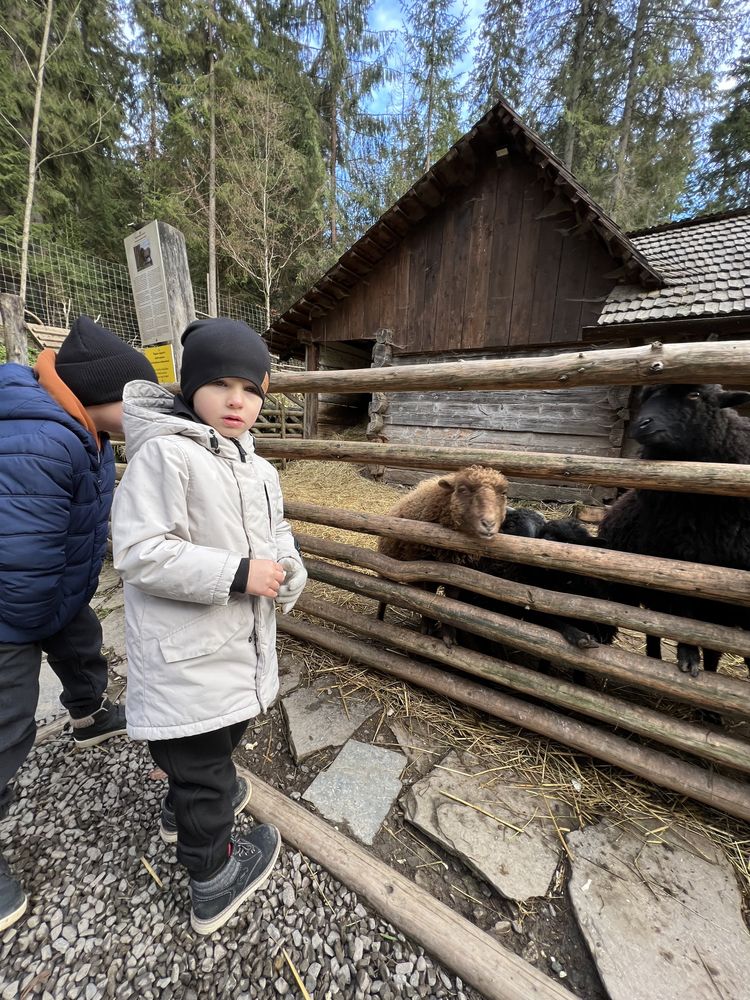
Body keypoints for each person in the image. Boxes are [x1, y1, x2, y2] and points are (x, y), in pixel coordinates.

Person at [110, 318, 307, 935]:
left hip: (236, 647)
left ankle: (185, 811)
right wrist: (238, 573)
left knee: (211, 746)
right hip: (188, 653)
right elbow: (140, 552)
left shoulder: (259, 469)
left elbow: (278, 539)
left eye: (250, 389)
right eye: (220, 384)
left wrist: (290, 573)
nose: (236, 400)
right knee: (204, 766)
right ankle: (212, 878)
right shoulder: (168, 455)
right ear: (191, 386)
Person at [0, 316, 159, 932]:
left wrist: (64, 600)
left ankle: (88, 713)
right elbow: (18, 550)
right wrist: (31, 621)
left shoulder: (83, 430)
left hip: (51, 592)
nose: (141, 412)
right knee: (7, 719)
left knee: (81, 645)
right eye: (135, 401)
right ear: (102, 395)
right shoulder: (46, 440)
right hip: (11, 610)